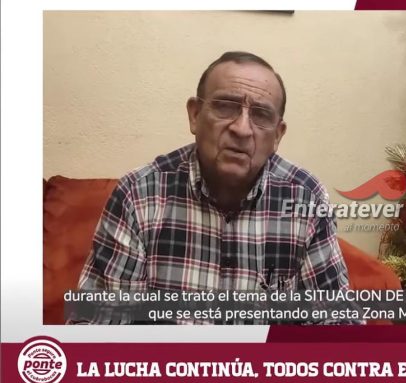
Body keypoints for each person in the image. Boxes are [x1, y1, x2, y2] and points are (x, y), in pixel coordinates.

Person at [75, 51, 353, 324]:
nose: (242, 129)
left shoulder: (305, 198)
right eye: (226, 106)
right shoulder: (139, 194)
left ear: (277, 136)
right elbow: (98, 326)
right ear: (195, 115)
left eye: (261, 115)